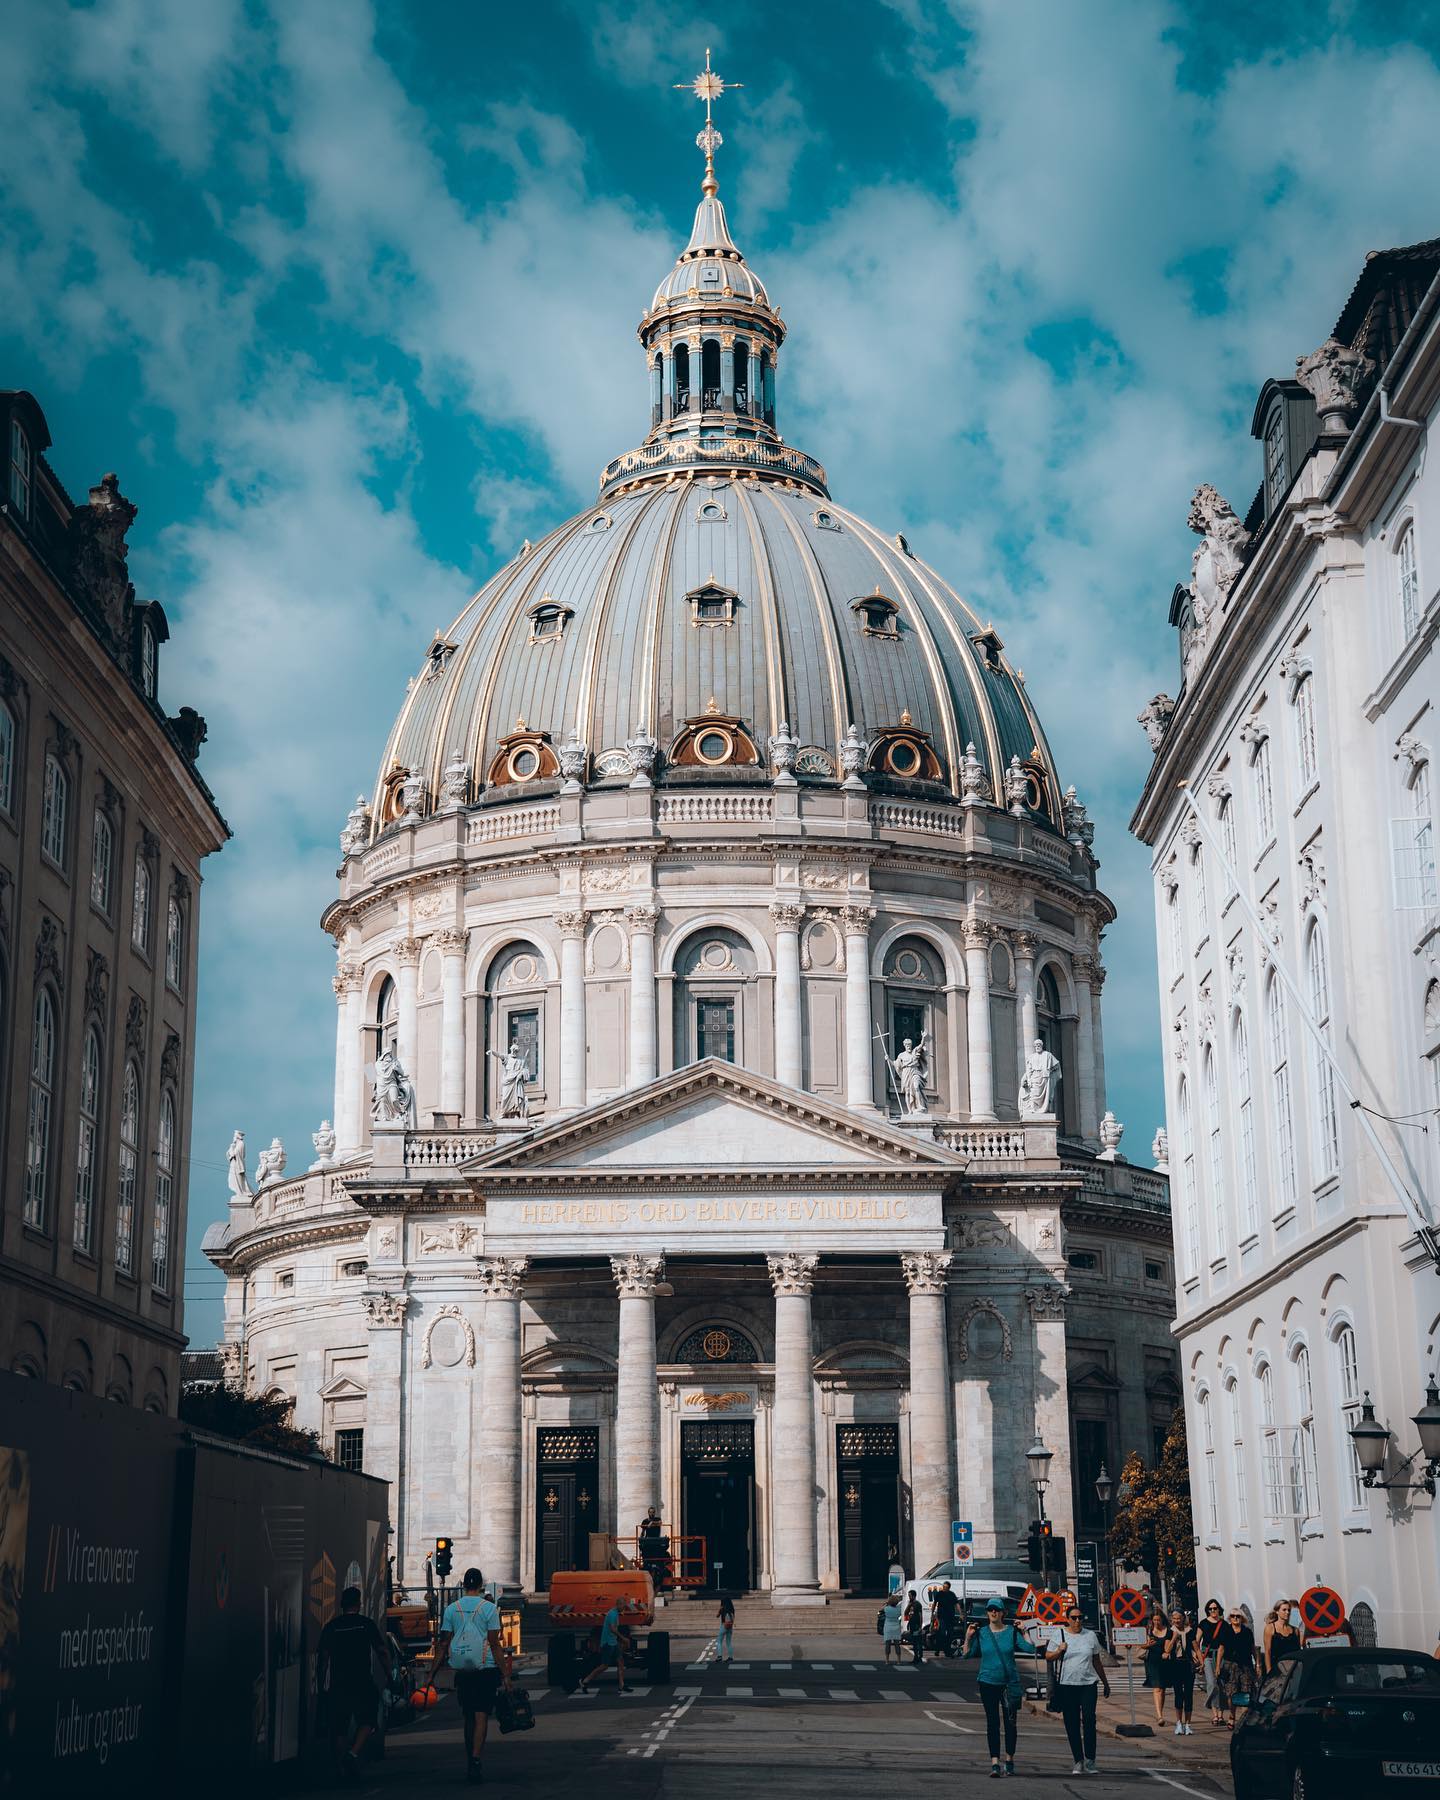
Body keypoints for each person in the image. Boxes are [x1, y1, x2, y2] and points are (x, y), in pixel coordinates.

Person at [436, 1567, 513, 1786]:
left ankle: (471, 1757)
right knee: (481, 1715)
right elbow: (495, 1644)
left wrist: (432, 1674)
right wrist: (506, 1675)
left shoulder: (452, 1609)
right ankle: (477, 1758)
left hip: (463, 1670)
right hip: (485, 1668)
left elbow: (443, 1643)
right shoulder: (488, 1608)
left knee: (468, 1715)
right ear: (480, 1585)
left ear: (463, 1585)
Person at [314, 1585, 387, 1785]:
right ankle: (353, 1754)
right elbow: (381, 1651)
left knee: (339, 1728)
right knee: (369, 1720)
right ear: (359, 1603)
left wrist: (321, 1687)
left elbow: (323, 1660)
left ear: (341, 1604)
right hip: (362, 1681)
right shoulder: (366, 1624)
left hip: (339, 1684)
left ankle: (340, 1770)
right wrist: (389, 1674)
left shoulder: (331, 1627)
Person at [964, 1598, 1031, 1778]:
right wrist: (968, 1637)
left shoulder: (1011, 1632)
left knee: (1010, 1724)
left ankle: (1009, 1760)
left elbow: (1030, 1649)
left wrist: (1024, 1632)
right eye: (990, 1610)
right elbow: (967, 1654)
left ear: (1003, 1613)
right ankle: (994, 1763)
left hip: (1009, 1683)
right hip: (987, 1682)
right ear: (987, 1612)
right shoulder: (982, 1633)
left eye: (997, 1610)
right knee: (992, 1723)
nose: (993, 1612)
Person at [1045, 1602, 1111, 1775]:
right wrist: (1059, 1650)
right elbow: (1048, 1656)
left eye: (1080, 1617)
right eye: (1073, 1618)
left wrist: (1105, 1682)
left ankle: (1090, 1760)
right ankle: (1078, 1760)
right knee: (1071, 1723)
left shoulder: (1090, 1636)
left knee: (1089, 1720)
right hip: (1067, 1685)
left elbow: (1096, 1660)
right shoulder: (1059, 1634)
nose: (1077, 1621)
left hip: (1088, 1684)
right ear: (1067, 1619)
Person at [1209, 1607, 1257, 1729]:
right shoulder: (1226, 1631)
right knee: (1231, 1693)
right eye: (1233, 1616)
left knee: (1246, 1693)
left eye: (1238, 1616)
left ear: (1242, 1618)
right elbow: (1221, 1649)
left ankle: (1243, 1720)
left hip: (1245, 1665)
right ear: (1230, 1618)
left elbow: (1253, 1648)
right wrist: (1218, 1666)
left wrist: (1258, 1664)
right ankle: (1232, 1715)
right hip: (1230, 1665)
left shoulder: (1247, 1632)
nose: (1235, 1618)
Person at [577, 1598, 632, 1694]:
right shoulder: (612, 1614)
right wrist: (623, 1638)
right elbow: (612, 1629)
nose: (624, 1608)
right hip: (607, 1643)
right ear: (618, 1605)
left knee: (621, 1662)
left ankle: (621, 1685)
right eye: (623, 1606)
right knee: (604, 1666)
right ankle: (585, 1681)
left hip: (613, 1642)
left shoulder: (615, 1613)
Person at [1164, 1606, 1196, 1736]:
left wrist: (1200, 1662)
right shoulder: (1170, 1631)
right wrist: (1174, 1637)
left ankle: (1188, 1724)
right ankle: (1178, 1723)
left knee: (1188, 1694)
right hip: (1175, 1665)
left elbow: (1196, 1648)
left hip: (1188, 1665)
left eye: (1179, 1618)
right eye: (1174, 1618)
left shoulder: (1190, 1631)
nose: (1176, 1621)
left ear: (1183, 1618)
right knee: (1178, 1694)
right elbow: (1166, 1649)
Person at [1143, 1609, 1173, 1726]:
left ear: (1162, 1619)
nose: (1156, 1622)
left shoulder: (1168, 1631)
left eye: (1158, 1620)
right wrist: (1147, 1645)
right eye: (1154, 1620)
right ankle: (1159, 1716)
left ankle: (1160, 1712)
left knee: (1162, 1689)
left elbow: (1167, 1649)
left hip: (1164, 1662)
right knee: (1157, 1688)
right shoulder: (1149, 1631)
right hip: (1152, 1662)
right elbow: (1141, 1645)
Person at [1196, 1599, 1225, 1714]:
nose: (1213, 1611)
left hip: (1221, 1655)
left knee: (1221, 1684)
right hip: (1207, 1655)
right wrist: (1199, 1658)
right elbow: (1197, 1641)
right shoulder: (1203, 1623)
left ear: (1219, 1610)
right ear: (1207, 1610)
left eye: (1215, 1608)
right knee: (1212, 1683)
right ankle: (1213, 1712)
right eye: (1210, 1609)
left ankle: (1220, 1714)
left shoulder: (1224, 1624)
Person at [1265, 1599, 1301, 1675]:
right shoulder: (1270, 1628)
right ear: (1277, 1611)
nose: (1287, 1612)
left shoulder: (1295, 1630)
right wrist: (1269, 1670)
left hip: (1294, 1669)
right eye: (1284, 1610)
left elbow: (1299, 1651)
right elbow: (1267, 1651)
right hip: (1277, 1669)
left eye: (1288, 1610)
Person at [930, 1581, 960, 1655]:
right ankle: (938, 1649)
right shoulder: (939, 1594)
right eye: (943, 1587)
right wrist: (932, 1613)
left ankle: (947, 1650)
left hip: (950, 1617)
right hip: (941, 1617)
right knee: (941, 1633)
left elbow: (957, 1604)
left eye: (946, 1587)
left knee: (950, 1634)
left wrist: (960, 1613)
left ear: (949, 1588)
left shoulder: (952, 1594)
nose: (944, 1588)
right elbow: (934, 1603)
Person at [902, 1588, 926, 1665]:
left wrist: (920, 1626)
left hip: (916, 1625)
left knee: (917, 1642)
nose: (909, 1597)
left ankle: (919, 1658)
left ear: (913, 1596)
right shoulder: (911, 1604)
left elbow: (920, 1615)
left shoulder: (917, 1604)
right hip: (912, 1625)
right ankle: (916, 1657)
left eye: (910, 1596)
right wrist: (909, 1605)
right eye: (908, 1596)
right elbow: (905, 1613)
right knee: (914, 1643)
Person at [881, 1591, 905, 1664]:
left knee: (887, 1644)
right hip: (896, 1626)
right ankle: (898, 1660)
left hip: (888, 1626)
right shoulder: (898, 1609)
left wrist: (886, 1603)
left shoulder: (887, 1608)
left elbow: (882, 1608)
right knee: (897, 1644)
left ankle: (887, 1660)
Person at [715, 1592, 735, 1662]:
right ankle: (730, 1657)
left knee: (719, 1641)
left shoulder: (723, 1609)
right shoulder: (732, 1609)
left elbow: (717, 1616)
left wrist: (720, 1609)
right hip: (730, 1627)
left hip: (724, 1626)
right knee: (728, 1642)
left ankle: (720, 1656)